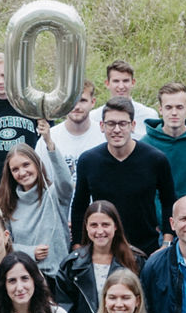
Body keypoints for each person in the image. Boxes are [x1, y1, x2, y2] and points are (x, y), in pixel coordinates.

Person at [69, 97, 177, 249]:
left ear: (133, 125)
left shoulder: (155, 159)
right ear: (101, 126)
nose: (117, 130)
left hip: (146, 248)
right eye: (111, 124)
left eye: (123, 124)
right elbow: (80, 206)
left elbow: (169, 202)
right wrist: (78, 246)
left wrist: (166, 243)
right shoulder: (89, 161)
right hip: (103, 248)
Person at [54, 200, 147, 313]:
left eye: (105, 224)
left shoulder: (135, 261)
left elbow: (145, 305)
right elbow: (65, 310)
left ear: (115, 226)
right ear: (86, 227)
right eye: (94, 225)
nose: (99, 231)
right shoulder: (71, 265)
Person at [0, 138, 74, 277]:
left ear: (36, 164)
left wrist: (50, 145)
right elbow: (3, 244)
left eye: (26, 165)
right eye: (15, 169)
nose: (22, 172)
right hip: (24, 279)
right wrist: (30, 252)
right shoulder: (8, 203)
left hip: (58, 280)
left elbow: (67, 182)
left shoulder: (55, 194)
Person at [139, 82, 186, 197]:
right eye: (168, 107)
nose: (174, 113)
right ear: (160, 110)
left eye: (179, 107)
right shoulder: (144, 146)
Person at [47, 83, 105, 183]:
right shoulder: (49, 138)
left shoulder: (105, 135)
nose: (77, 106)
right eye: (71, 101)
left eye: (82, 100)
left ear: (93, 102)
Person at [87, 61, 159, 139]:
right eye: (116, 81)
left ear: (133, 82)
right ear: (107, 83)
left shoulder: (149, 116)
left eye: (125, 81)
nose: (121, 86)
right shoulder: (93, 118)